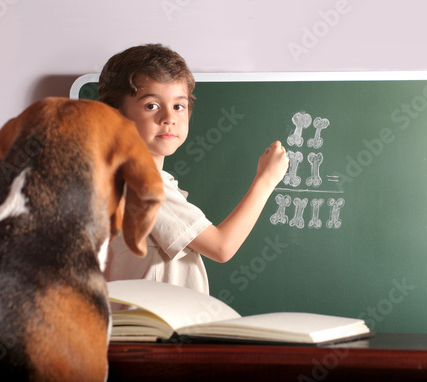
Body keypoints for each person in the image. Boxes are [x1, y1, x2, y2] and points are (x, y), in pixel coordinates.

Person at [99, 44, 289, 294]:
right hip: (156, 330)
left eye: (179, 106)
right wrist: (266, 180)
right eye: (151, 106)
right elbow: (222, 247)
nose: (169, 118)